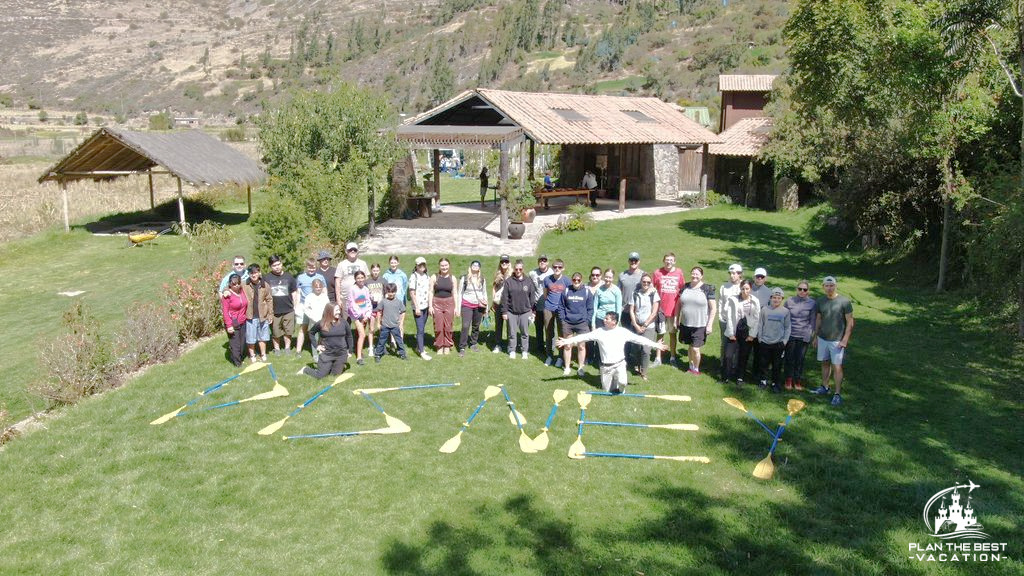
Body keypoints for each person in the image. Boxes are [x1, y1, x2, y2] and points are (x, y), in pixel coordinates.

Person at [556, 312, 668, 393]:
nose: (604, 320)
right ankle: (613, 380)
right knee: (606, 391)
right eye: (605, 318)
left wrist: (656, 345)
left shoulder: (622, 332)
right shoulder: (599, 332)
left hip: (620, 364)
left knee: (623, 383)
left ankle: (620, 386)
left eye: (607, 319)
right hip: (605, 367)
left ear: (614, 322)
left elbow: (640, 339)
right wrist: (567, 341)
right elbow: (583, 337)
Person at [812, 276, 855, 406]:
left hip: (837, 340)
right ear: (823, 287)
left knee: (837, 366)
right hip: (823, 338)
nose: (829, 288)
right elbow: (818, 319)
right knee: (825, 363)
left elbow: (850, 322)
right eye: (827, 285)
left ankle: (837, 393)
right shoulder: (820, 301)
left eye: (831, 285)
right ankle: (825, 386)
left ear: (835, 286)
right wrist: (815, 336)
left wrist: (845, 339)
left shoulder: (844, 302)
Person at [676, 266, 716, 375]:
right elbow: (678, 304)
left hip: (700, 325)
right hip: (686, 323)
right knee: (690, 346)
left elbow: (713, 308)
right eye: (693, 273)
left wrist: (710, 325)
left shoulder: (707, 289)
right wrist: (676, 319)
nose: (694, 276)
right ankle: (690, 366)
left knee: (695, 349)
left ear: (701, 276)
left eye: (697, 274)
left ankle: (696, 369)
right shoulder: (685, 287)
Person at [721, 279, 760, 384]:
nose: (745, 291)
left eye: (747, 289)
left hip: (747, 331)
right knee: (728, 355)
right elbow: (729, 317)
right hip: (734, 330)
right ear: (740, 288)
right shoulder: (733, 299)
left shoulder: (755, 301)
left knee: (743, 356)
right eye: (743, 289)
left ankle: (740, 378)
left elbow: (757, 319)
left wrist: (752, 335)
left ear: (751, 289)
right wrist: (730, 333)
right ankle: (725, 377)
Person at [300, 303, 353, 379]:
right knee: (320, 376)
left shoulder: (344, 322)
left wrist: (350, 351)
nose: (339, 312)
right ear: (329, 311)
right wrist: (317, 346)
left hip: (341, 354)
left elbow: (349, 336)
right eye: (336, 310)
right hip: (327, 354)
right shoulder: (321, 323)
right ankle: (305, 370)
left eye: (339, 310)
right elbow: (311, 333)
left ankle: (333, 366)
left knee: (334, 376)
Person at [784, 279, 818, 391]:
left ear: (808, 291)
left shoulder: (812, 303)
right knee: (789, 358)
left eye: (805, 289)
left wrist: (809, 335)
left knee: (800, 359)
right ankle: (788, 379)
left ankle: (797, 380)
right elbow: (785, 318)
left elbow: (812, 321)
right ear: (796, 290)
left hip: (803, 335)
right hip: (790, 334)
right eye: (800, 289)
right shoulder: (789, 301)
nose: (802, 291)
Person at [652, 253, 685, 366]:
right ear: (663, 261)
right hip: (661, 310)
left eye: (671, 260)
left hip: (673, 310)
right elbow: (652, 289)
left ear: (674, 261)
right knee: (660, 333)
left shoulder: (679, 273)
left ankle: (672, 357)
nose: (669, 262)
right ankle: (658, 358)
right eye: (667, 260)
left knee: (672, 334)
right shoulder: (657, 273)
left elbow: (682, 289)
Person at [757, 287, 792, 393]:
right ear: (771, 298)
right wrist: (760, 338)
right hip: (765, 342)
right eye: (774, 298)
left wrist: (784, 341)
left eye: (779, 298)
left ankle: (775, 383)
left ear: (782, 299)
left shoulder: (785, 312)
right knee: (763, 363)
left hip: (778, 343)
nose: (776, 300)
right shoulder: (764, 309)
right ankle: (763, 380)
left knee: (777, 365)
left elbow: (787, 327)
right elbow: (760, 324)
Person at [559, 272, 594, 377]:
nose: (576, 282)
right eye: (574, 280)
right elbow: (561, 307)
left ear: (581, 280)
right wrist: (562, 319)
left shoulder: (587, 292)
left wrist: (587, 320)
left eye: (578, 280)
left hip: (582, 323)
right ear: (572, 280)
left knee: (581, 346)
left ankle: (580, 367)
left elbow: (590, 309)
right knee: (567, 345)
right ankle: (567, 367)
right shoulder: (566, 291)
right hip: (568, 322)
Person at [265, 255, 298, 355]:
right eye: (274, 265)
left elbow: (294, 292)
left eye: (278, 264)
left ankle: (287, 347)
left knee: (288, 331)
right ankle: (277, 349)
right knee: (276, 332)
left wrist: (295, 306)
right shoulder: (267, 278)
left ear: (281, 263)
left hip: (288, 309)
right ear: (271, 266)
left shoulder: (289, 276)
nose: (277, 267)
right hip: (274, 311)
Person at [629, 273, 660, 381]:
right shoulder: (635, 293)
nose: (646, 284)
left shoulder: (654, 294)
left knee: (646, 350)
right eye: (644, 282)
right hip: (636, 325)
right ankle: (637, 366)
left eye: (648, 282)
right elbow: (631, 311)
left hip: (649, 326)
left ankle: (644, 372)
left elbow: (654, 312)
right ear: (641, 282)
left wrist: (645, 324)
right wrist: (636, 325)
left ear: (650, 283)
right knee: (636, 348)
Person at [502, 259, 534, 359]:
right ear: (514, 269)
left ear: (523, 269)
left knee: (524, 333)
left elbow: (532, 297)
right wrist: (504, 312)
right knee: (512, 332)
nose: (518, 271)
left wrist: (532, 311)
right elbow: (505, 298)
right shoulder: (509, 282)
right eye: (516, 269)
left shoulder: (528, 281)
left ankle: (524, 350)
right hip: (512, 312)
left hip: (525, 312)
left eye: (520, 269)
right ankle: (512, 350)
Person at [541, 259, 571, 366]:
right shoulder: (547, 279)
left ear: (563, 268)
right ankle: (549, 355)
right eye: (555, 267)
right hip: (548, 308)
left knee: (561, 333)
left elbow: (569, 296)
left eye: (559, 267)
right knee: (549, 332)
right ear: (552, 268)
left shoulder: (567, 281)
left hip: (561, 310)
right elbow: (545, 294)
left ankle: (560, 357)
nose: (557, 269)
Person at [294, 258, 326, 359]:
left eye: (313, 267)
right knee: (303, 328)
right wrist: (297, 305)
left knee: (318, 330)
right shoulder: (301, 277)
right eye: (309, 267)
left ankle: (318, 350)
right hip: (305, 306)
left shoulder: (320, 277)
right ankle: (298, 350)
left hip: (317, 307)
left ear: (315, 267)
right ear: (306, 267)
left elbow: (324, 290)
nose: (311, 269)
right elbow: (298, 292)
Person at [718, 263, 744, 380]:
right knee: (724, 343)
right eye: (731, 273)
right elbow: (720, 303)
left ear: (740, 274)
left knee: (737, 345)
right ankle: (723, 364)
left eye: (734, 273)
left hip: (738, 321)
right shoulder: (724, 287)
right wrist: (720, 317)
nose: (732, 275)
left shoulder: (743, 287)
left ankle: (735, 366)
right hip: (724, 320)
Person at [619, 251, 645, 371]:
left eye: (635, 260)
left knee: (637, 337)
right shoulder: (622, 275)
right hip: (625, 311)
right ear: (628, 261)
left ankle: (637, 362)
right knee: (625, 337)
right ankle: (626, 360)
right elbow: (618, 292)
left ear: (639, 262)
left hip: (638, 312)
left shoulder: (643, 276)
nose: (633, 262)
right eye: (631, 260)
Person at [242, 264, 273, 363]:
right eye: (251, 273)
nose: (253, 275)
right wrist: (226, 291)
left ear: (259, 273)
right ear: (249, 274)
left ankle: (263, 353)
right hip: (250, 316)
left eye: (255, 272)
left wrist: (270, 314)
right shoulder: (244, 284)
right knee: (250, 338)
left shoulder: (265, 285)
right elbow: (231, 287)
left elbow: (269, 300)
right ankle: (252, 355)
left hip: (262, 316)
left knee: (262, 337)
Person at [457, 260, 488, 356]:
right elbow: (460, 293)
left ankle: (473, 343)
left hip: (478, 305)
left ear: (479, 268)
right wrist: (458, 308)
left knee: (476, 326)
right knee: (465, 326)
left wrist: (486, 308)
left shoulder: (482, 279)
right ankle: (462, 346)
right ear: (470, 267)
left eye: (477, 265)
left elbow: (484, 293)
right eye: (473, 265)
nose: (475, 266)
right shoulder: (464, 278)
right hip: (466, 304)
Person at [430, 257, 459, 356]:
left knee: (448, 326)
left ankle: (447, 345)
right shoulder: (434, 277)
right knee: (438, 326)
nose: (444, 267)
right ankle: (439, 346)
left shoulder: (453, 278)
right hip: (437, 303)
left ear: (449, 266)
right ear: (439, 266)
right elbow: (430, 292)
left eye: (446, 265)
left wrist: (456, 307)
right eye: (442, 265)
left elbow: (455, 292)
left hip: (449, 303)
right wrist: (430, 306)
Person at [374, 283, 408, 362]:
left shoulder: (399, 302)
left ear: (395, 292)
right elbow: (379, 312)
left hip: (395, 325)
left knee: (399, 340)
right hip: (385, 325)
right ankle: (378, 354)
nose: (391, 294)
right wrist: (378, 323)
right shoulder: (383, 301)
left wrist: (401, 323)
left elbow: (403, 311)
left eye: (393, 292)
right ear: (386, 292)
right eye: (389, 292)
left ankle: (402, 354)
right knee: (382, 341)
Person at [347, 270, 374, 366]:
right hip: (356, 316)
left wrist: (367, 315)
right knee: (362, 334)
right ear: (355, 279)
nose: (360, 280)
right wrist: (360, 315)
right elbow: (351, 304)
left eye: (362, 278)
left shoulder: (366, 289)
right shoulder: (352, 289)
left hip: (365, 315)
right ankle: (358, 357)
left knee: (361, 334)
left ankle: (360, 351)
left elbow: (368, 303)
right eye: (358, 278)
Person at [221, 273, 248, 366]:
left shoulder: (242, 290)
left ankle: (238, 356)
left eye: (238, 283)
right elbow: (225, 311)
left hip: (243, 321)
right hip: (233, 322)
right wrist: (229, 325)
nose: (236, 286)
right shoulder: (227, 295)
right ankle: (237, 362)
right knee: (235, 344)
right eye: (234, 284)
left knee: (242, 343)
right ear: (230, 284)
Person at [408, 257, 432, 360]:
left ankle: (419, 347)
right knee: (420, 329)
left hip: (426, 306)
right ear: (416, 266)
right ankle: (422, 352)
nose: (422, 267)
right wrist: (417, 307)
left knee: (423, 327)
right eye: (419, 265)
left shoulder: (427, 276)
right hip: (418, 307)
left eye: (423, 265)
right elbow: (412, 293)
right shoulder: (413, 277)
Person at [749, 267, 772, 377]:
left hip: (761, 325)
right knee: (745, 350)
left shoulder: (768, 292)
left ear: (765, 279)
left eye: (761, 277)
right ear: (754, 277)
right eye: (757, 276)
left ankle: (756, 373)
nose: (759, 279)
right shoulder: (748, 288)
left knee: (758, 351)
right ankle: (740, 373)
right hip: (748, 323)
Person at [335, 241, 369, 313]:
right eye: (350, 250)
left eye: (355, 250)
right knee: (345, 320)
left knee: (361, 319)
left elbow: (367, 279)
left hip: (360, 296)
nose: (352, 251)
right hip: (345, 297)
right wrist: (338, 298)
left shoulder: (363, 263)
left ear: (357, 251)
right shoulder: (341, 264)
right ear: (346, 251)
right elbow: (337, 281)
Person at [382, 255, 409, 342]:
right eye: (391, 263)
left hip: (400, 300)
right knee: (391, 322)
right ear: (389, 263)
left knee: (400, 322)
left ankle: (400, 341)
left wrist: (402, 297)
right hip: (390, 301)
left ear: (398, 263)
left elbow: (405, 286)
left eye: (395, 262)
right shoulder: (386, 275)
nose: (393, 264)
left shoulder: (402, 275)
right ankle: (393, 341)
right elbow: (384, 287)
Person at [302, 279, 330, 363]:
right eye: (316, 287)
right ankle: (315, 355)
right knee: (315, 338)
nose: (318, 289)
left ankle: (323, 352)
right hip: (313, 321)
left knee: (324, 338)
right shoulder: (309, 296)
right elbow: (306, 309)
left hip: (324, 320)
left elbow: (328, 307)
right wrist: (313, 317)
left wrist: (326, 318)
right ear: (313, 287)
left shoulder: (324, 296)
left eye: (320, 287)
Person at [529, 255, 552, 354]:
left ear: (547, 262)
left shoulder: (552, 272)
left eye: (544, 260)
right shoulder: (532, 273)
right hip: (537, 304)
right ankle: (540, 347)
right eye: (540, 260)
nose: (542, 262)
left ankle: (550, 347)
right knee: (538, 327)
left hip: (549, 304)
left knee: (549, 327)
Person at [491, 255, 512, 353]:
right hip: (498, 302)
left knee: (510, 324)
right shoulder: (497, 274)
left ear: (509, 263)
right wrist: (493, 301)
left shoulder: (512, 274)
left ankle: (510, 345)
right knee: (498, 324)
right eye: (502, 262)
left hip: (509, 303)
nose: (504, 263)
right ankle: (498, 344)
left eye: (506, 262)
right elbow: (494, 288)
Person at [366, 263, 386, 341]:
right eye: (374, 270)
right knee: (371, 328)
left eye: (377, 270)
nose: (375, 272)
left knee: (381, 326)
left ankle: (381, 345)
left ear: (379, 271)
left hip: (381, 308)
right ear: (371, 271)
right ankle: (371, 345)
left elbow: (386, 293)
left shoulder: (383, 281)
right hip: (371, 308)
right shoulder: (367, 282)